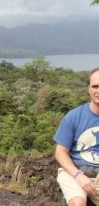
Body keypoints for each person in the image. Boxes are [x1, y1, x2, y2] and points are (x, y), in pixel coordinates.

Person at [54, 67, 99, 206]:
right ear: (89, 88)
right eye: (95, 86)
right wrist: (78, 176)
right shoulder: (74, 117)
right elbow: (60, 152)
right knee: (77, 202)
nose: (98, 91)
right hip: (74, 170)